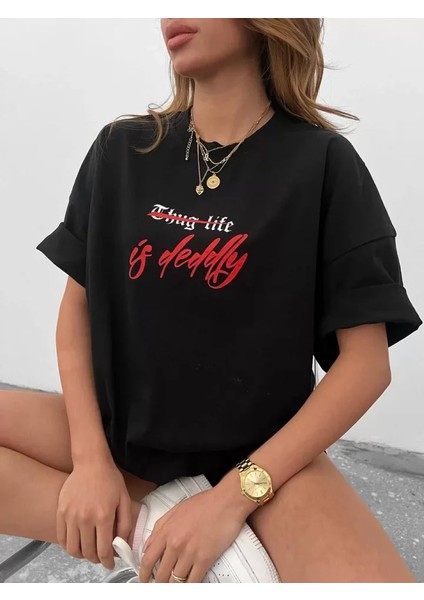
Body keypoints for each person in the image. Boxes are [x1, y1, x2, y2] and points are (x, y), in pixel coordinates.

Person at [0, 18, 422, 584]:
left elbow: (367, 365)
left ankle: (186, 538)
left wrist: (231, 500)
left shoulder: (323, 165)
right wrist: (91, 464)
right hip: (123, 439)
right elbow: (76, 309)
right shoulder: (122, 149)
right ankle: (150, 535)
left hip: (263, 463)